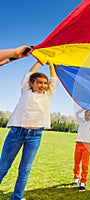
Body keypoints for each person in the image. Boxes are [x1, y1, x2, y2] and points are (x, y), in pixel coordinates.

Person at [0, 61, 56, 200]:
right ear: (31, 83)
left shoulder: (47, 95)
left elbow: (53, 80)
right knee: (3, 165)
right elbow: (28, 74)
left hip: (35, 135)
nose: (43, 85)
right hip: (17, 133)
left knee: (25, 169)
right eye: (39, 82)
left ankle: (17, 197)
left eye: (44, 83)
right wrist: (39, 61)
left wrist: (51, 65)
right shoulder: (26, 90)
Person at [72, 109, 90, 192]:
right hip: (78, 144)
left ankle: (83, 182)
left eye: (89, 114)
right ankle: (76, 179)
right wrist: (84, 108)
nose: (87, 116)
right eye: (86, 114)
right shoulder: (81, 122)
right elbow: (77, 113)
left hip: (87, 145)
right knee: (76, 163)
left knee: (85, 165)